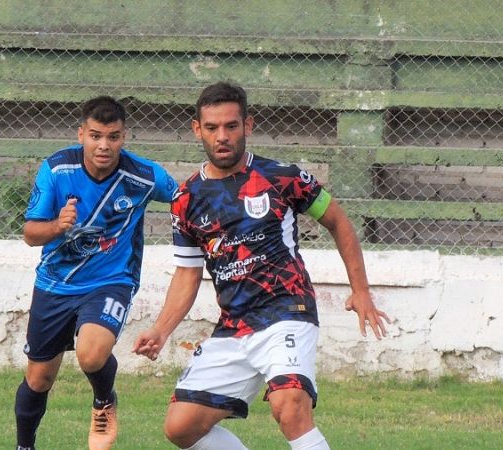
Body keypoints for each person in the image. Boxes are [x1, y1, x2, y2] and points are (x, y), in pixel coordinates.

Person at [133, 82, 391, 450]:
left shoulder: (281, 178)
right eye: (212, 128)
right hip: (235, 326)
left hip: (287, 310)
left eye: (231, 126)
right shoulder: (185, 200)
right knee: (181, 427)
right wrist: (161, 329)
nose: (222, 137)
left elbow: (338, 220)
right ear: (197, 130)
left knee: (290, 407)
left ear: (247, 125)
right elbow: (188, 274)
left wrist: (361, 290)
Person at [14, 95, 178, 450]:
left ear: (124, 137)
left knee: (91, 353)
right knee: (39, 379)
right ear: (81, 135)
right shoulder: (57, 170)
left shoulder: (144, 176)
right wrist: (58, 225)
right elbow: (30, 234)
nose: (104, 145)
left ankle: (104, 400)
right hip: (55, 283)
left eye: (113, 137)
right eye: (95, 136)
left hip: (111, 281)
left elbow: (185, 197)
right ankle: (24, 446)